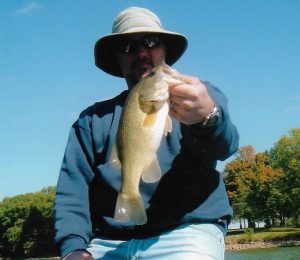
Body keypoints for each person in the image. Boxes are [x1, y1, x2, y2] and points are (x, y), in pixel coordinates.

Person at [54, 6, 239, 260]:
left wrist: (208, 117)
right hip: (107, 243)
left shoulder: (198, 97)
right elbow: (72, 190)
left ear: (165, 51)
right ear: (117, 58)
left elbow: (225, 146)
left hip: (187, 232)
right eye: (128, 46)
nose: (141, 52)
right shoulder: (91, 121)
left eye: (151, 42)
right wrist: (73, 248)